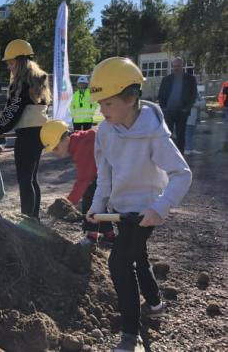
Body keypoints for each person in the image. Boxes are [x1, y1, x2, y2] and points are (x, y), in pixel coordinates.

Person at [86, 57, 192, 352]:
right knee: (138, 258)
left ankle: (130, 335)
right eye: (99, 104)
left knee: (118, 262)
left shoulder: (154, 133)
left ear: (131, 98)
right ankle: (155, 304)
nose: (101, 111)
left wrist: (160, 208)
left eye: (107, 104)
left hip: (144, 211)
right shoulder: (105, 132)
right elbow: (104, 175)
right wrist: (98, 206)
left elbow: (182, 174)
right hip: (120, 210)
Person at [0, 39, 50, 218]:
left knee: (25, 180)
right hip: (40, 133)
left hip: (27, 135)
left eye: (10, 63)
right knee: (31, 179)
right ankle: (34, 218)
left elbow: (11, 115)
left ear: (20, 61)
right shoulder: (37, 79)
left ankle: (27, 220)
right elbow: (14, 113)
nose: (9, 67)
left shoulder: (21, 83)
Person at [40, 120, 115, 246]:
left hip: (121, 172)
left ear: (65, 139)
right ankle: (109, 235)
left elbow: (84, 180)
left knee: (90, 197)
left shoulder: (82, 147)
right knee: (94, 196)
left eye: (56, 148)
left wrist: (66, 204)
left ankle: (91, 236)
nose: (55, 152)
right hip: (108, 173)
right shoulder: (78, 141)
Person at [157, 57, 197, 153]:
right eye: (174, 66)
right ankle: (168, 153)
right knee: (167, 134)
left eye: (178, 66)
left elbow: (193, 95)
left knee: (181, 134)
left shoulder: (190, 79)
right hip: (169, 111)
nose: (176, 68)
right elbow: (161, 94)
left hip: (182, 111)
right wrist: (163, 108)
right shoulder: (166, 79)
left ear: (182, 66)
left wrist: (187, 108)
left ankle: (180, 154)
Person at [184, 90, 206, 155]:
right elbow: (187, 103)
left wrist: (195, 104)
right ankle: (187, 149)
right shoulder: (186, 91)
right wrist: (197, 104)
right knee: (188, 132)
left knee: (192, 133)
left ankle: (190, 148)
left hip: (195, 116)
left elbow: (203, 102)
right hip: (189, 116)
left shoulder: (196, 92)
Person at [218, 80, 228, 152]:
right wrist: (222, 105)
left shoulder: (225, 83)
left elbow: (221, 95)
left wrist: (222, 105)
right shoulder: (225, 84)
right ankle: (225, 145)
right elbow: (221, 95)